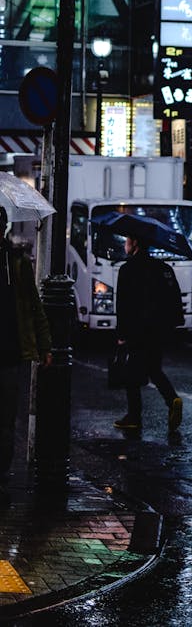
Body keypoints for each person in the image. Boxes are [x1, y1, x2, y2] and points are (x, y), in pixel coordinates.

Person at [0, 206, 52, 498]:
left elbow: (34, 308)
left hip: (9, 353)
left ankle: (2, 473)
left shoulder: (16, 263)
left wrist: (44, 345)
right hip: (9, 354)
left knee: (6, 421)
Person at [114, 227, 184, 432]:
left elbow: (123, 305)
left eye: (127, 238)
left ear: (135, 243)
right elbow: (174, 298)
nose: (125, 243)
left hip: (137, 330)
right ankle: (172, 400)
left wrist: (121, 334)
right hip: (159, 330)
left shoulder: (127, 269)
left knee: (130, 375)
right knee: (153, 369)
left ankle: (134, 416)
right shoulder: (162, 268)